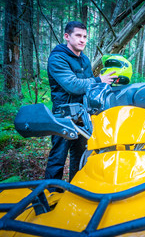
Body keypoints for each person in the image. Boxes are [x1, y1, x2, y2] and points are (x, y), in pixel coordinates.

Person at [45, 21, 117, 185]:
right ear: (67, 36)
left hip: (82, 116)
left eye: (85, 36)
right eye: (78, 35)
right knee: (58, 158)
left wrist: (105, 87)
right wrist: (99, 80)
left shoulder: (84, 59)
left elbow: (89, 87)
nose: (82, 40)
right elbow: (73, 85)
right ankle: (49, 195)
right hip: (63, 116)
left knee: (80, 157)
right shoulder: (57, 58)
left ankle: (75, 192)